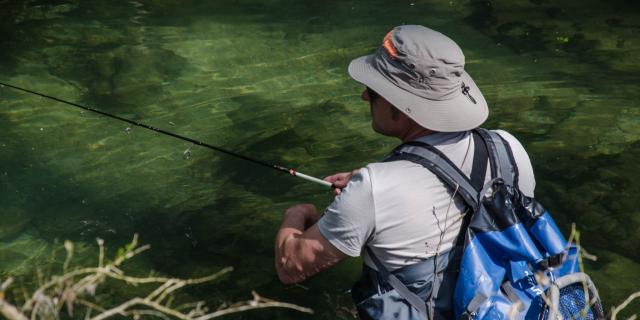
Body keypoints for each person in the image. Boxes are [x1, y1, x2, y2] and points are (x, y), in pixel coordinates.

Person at [274, 25, 536, 318]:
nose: (364, 96)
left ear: (401, 105)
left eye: (374, 90)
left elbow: (291, 267)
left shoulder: (373, 188)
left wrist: (297, 213)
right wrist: (372, 186)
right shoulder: (508, 148)